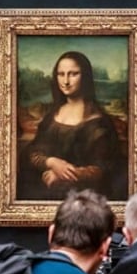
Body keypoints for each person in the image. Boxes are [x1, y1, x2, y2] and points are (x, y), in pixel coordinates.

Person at [20, 51, 121, 200]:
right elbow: (33, 152)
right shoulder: (51, 116)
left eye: (73, 74)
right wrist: (52, 162)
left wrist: (63, 174)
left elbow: (102, 169)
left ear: (85, 77)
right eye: (61, 74)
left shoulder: (99, 122)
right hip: (43, 189)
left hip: (84, 196)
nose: (65, 81)